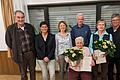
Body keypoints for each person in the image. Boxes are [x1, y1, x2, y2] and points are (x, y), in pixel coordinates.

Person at [5, 10, 36, 80]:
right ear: (15, 18)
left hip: (31, 53)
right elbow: (8, 42)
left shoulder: (30, 27)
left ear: (24, 17)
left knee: (32, 72)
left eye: (22, 17)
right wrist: (16, 48)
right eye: (18, 17)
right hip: (20, 55)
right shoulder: (10, 29)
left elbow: (34, 39)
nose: (20, 19)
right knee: (23, 73)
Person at [106, 13, 120, 80]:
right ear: (111, 22)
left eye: (117, 20)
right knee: (109, 72)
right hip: (110, 55)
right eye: (113, 20)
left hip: (119, 55)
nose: (115, 21)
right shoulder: (108, 30)